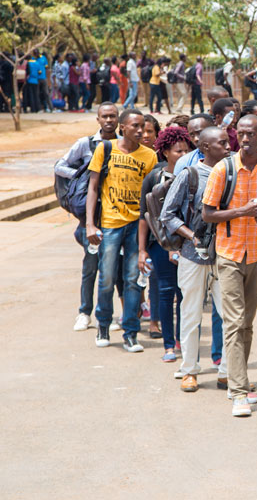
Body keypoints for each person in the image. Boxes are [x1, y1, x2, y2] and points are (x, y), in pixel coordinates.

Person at [202, 114, 257, 417]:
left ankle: (241, 379)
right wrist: (242, 212)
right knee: (234, 322)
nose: (245, 139)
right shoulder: (224, 169)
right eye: (241, 133)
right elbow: (208, 214)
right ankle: (238, 392)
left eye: (251, 133)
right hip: (230, 254)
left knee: (247, 323)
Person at [160, 126, 232, 392]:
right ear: (204, 147)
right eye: (222, 144)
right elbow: (167, 215)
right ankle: (189, 369)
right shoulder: (189, 175)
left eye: (228, 143)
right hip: (193, 256)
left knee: (228, 315)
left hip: (226, 255)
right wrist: (192, 236)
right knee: (191, 314)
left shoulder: (231, 171)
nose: (228, 148)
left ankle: (226, 370)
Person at [85, 108, 158, 351]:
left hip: (137, 225)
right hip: (110, 224)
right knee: (106, 278)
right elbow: (93, 188)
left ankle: (130, 331)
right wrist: (89, 224)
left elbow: (150, 196)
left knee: (133, 279)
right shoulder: (105, 149)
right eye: (135, 126)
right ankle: (103, 324)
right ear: (123, 127)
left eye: (142, 126)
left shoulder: (150, 157)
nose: (140, 130)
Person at [56, 102, 120, 331]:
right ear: (98, 119)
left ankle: (109, 314)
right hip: (90, 217)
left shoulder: (123, 144)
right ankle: (84, 312)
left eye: (113, 116)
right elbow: (60, 166)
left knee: (112, 268)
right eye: (105, 116)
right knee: (90, 266)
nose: (109, 120)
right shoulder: (85, 144)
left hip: (115, 216)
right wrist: (82, 176)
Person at [138, 126, 193, 361]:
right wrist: (141, 250)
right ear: (165, 152)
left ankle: (182, 340)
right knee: (165, 290)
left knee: (185, 294)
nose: (182, 155)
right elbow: (143, 216)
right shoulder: (154, 177)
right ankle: (168, 345)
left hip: (188, 244)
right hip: (159, 243)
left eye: (186, 150)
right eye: (177, 151)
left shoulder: (193, 175)